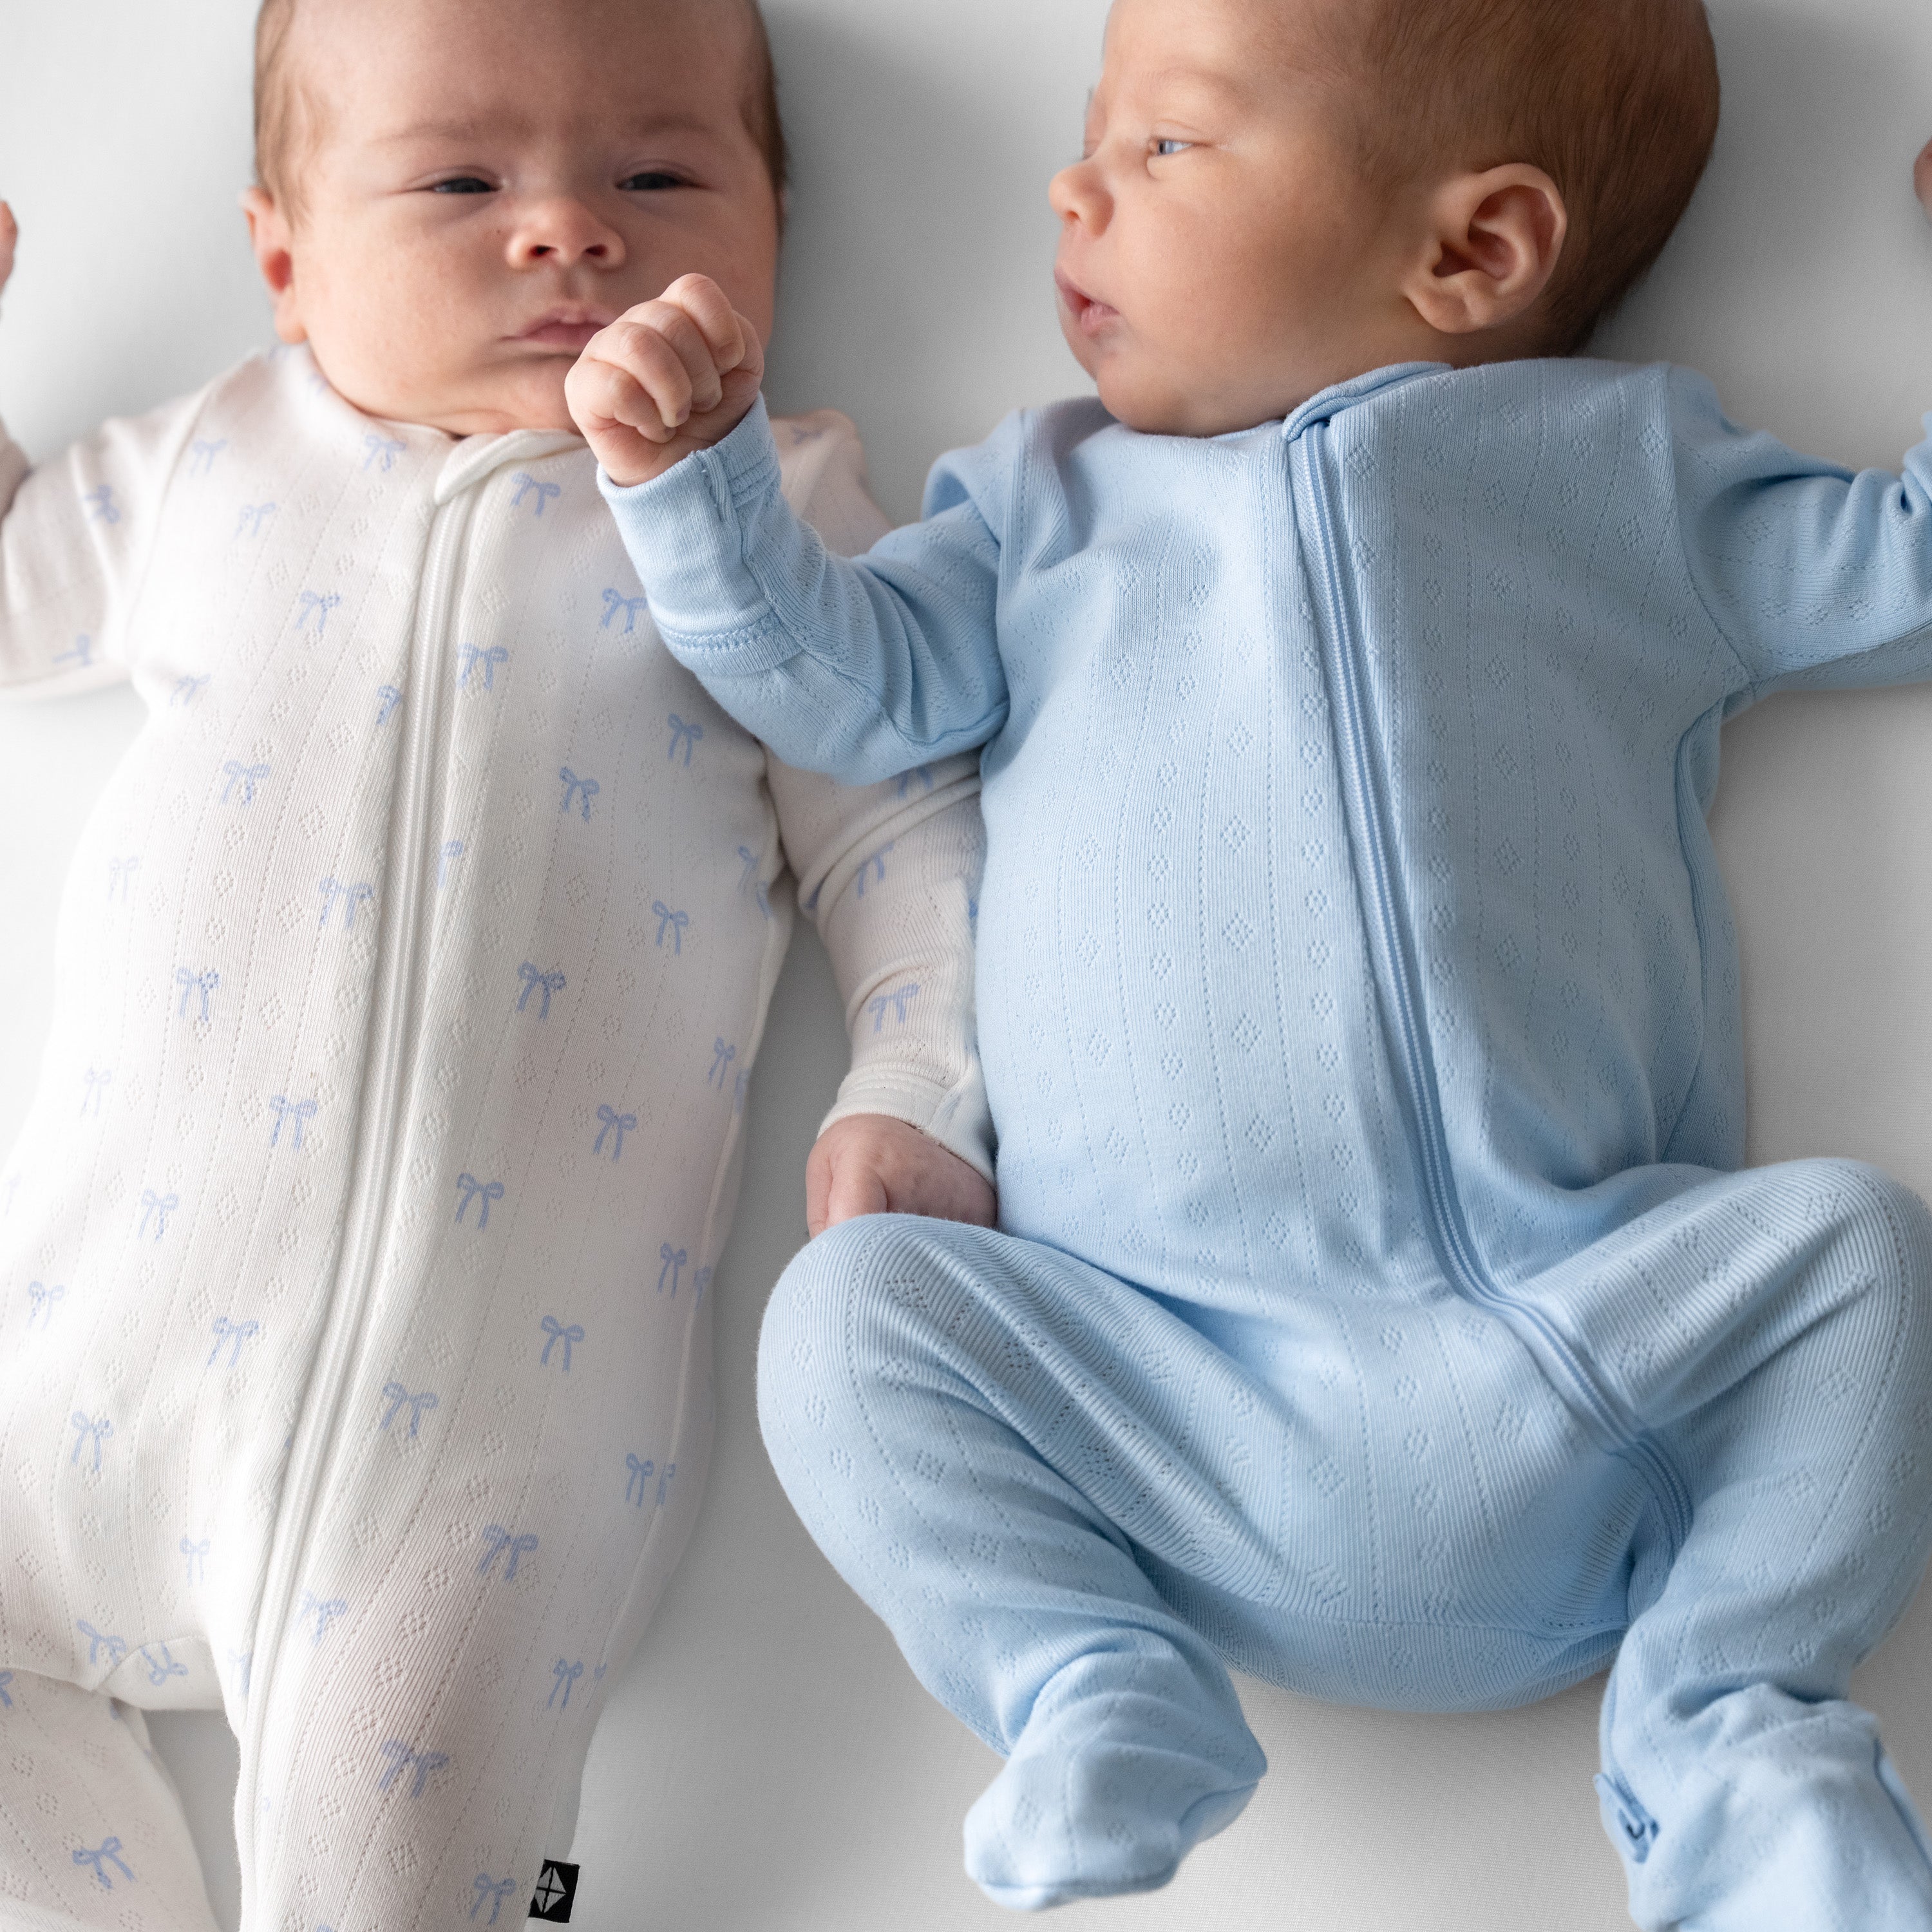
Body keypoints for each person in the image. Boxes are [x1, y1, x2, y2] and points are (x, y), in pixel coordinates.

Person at [570, 0, 1932, 1922]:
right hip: (1167, 1391)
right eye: (1093, 134)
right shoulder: (1034, 507)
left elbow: (1902, 564)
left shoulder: (1630, 479)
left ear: (1472, 250)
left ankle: (1727, 1719)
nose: (1075, 185)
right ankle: (1092, 1682)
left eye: (1169, 146)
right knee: (853, 1319)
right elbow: (849, 691)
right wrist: (698, 484)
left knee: (1862, 1255)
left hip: (1584, 1358)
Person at [0, 2, 994, 1926]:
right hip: (73, 1387)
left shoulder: (774, 518)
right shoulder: (215, 456)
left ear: (777, 224)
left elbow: (896, 822)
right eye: (462, 180)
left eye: (658, 177)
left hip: (474, 1473)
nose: (567, 233)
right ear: (284, 255)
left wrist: (915, 1079)